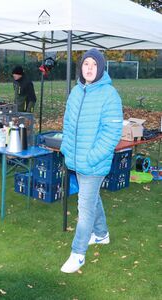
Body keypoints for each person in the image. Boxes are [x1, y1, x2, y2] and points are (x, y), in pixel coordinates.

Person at [60, 48, 123, 273]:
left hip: (93, 163)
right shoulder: (76, 92)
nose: (89, 68)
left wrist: (91, 156)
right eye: (86, 64)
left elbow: (112, 133)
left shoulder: (109, 95)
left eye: (94, 65)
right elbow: (67, 125)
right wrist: (68, 150)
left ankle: (78, 254)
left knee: (84, 208)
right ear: (81, 67)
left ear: (101, 68)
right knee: (92, 199)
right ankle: (102, 234)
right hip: (76, 160)